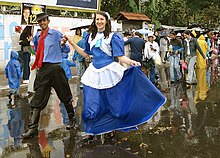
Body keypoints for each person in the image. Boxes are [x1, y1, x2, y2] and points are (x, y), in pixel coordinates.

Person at [66, 11, 166, 141]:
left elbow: (119, 56)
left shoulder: (113, 37)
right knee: (91, 103)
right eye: (97, 19)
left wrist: (131, 62)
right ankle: (91, 131)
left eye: (102, 19)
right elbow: (86, 54)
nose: (99, 22)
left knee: (112, 104)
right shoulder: (90, 37)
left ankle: (110, 129)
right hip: (93, 74)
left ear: (106, 21)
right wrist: (71, 43)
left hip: (109, 73)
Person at [21, 13, 76, 139]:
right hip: (43, 69)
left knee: (65, 95)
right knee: (38, 98)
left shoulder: (56, 34)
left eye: (44, 21)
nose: (42, 23)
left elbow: (66, 49)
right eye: (39, 21)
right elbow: (35, 49)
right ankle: (33, 128)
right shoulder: (38, 36)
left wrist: (62, 44)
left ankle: (72, 119)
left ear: (48, 21)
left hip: (55, 68)